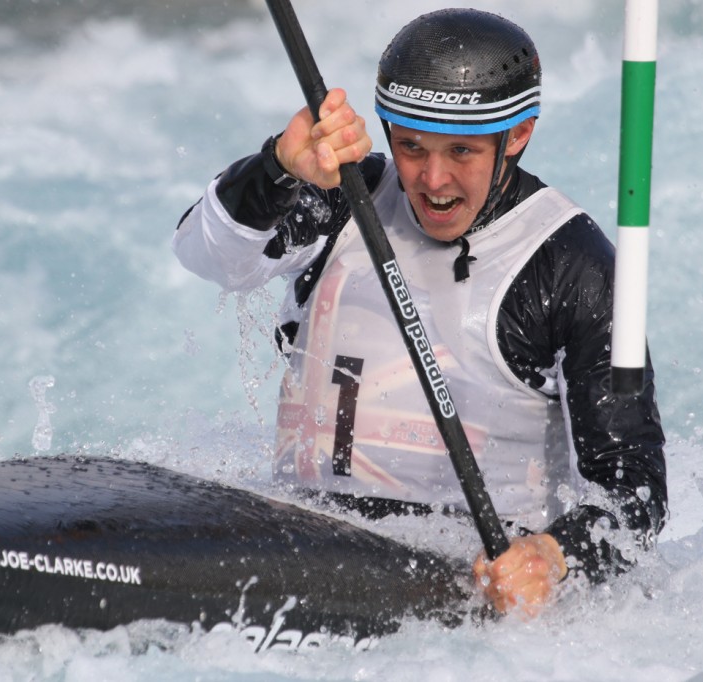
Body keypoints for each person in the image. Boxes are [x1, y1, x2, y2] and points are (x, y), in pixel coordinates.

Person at [172, 8, 667, 618]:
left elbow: (634, 490)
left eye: (460, 150)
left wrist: (551, 555)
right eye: (410, 147)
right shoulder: (344, 201)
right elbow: (208, 255)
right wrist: (277, 165)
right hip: (301, 547)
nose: (433, 180)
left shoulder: (574, 268)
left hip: (471, 593)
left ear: (517, 135)